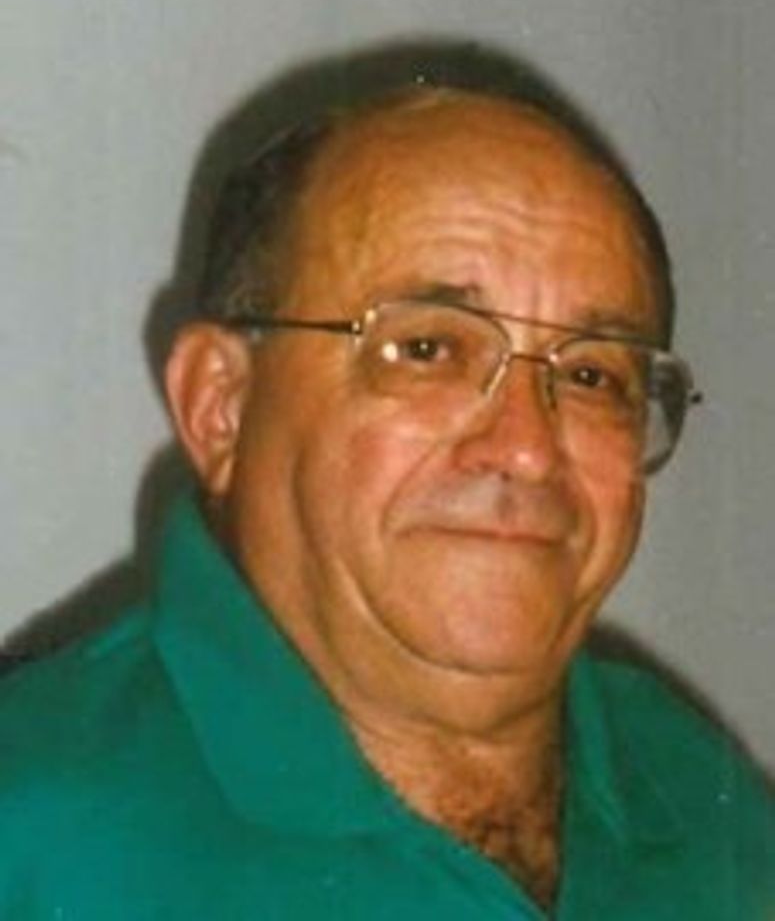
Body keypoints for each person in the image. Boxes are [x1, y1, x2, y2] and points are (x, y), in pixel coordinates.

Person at [1, 51, 773, 920]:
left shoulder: (698, 793)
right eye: (428, 349)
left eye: (592, 375)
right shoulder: (29, 832)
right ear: (221, 407)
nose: (526, 450)